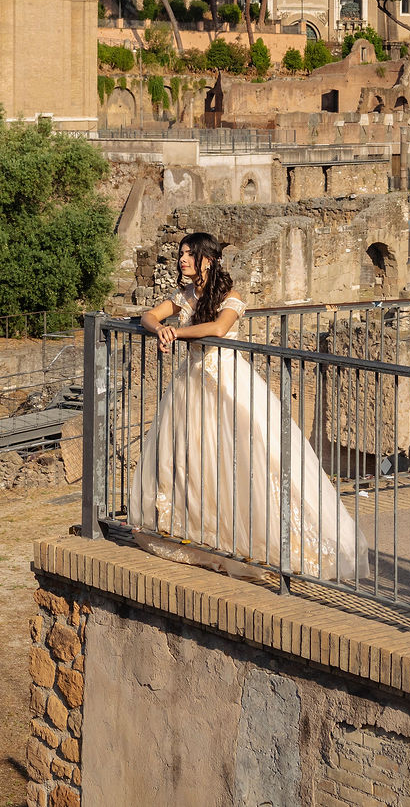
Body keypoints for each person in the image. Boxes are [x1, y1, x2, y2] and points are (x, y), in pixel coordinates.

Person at [127, 233, 364, 582]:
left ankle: (262, 538)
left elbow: (220, 328)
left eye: (190, 254)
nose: (183, 259)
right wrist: (161, 327)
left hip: (227, 383)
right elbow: (148, 315)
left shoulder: (231, 297)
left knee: (252, 454)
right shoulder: (185, 295)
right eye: (181, 254)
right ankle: (200, 532)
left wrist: (177, 333)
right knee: (193, 458)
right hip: (190, 386)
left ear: (207, 260)